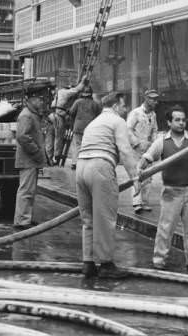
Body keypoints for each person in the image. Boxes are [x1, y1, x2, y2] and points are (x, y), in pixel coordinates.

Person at [76, 92, 139, 279]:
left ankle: (88, 263)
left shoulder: (93, 123)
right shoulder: (117, 121)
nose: (126, 109)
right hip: (100, 167)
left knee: (88, 219)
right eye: (124, 105)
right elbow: (125, 151)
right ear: (116, 106)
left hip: (81, 167)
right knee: (105, 218)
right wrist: (135, 177)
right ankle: (105, 264)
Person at [137, 105, 188, 273]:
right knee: (165, 229)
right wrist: (140, 168)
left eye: (183, 120)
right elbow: (147, 157)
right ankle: (159, 261)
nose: (181, 123)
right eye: (177, 120)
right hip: (171, 192)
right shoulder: (161, 142)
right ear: (169, 122)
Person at [13, 82, 53, 230]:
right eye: (40, 99)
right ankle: (22, 221)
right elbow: (22, 137)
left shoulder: (32, 114)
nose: (42, 102)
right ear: (32, 99)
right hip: (28, 159)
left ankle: (25, 218)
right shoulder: (27, 115)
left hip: (31, 159)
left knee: (29, 191)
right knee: (26, 191)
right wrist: (36, 152)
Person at [127, 89, 160, 213]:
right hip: (136, 149)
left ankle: (144, 202)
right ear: (146, 99)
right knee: (136, 175)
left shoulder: (153, 114)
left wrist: (154, 143)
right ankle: (136, 202)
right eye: (152, 99)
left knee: (148, 176)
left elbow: (155, 130)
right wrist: (136, 143)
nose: (155, 101)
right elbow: (128, 129)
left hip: (147, 148)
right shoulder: (135, 113)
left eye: (156, 99)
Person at [68, 86, 102, 169]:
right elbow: (99, 115)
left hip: (78, 127)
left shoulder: (78, 102)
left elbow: (71, 112)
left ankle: (75, 163)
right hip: (91, 128)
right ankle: (87, 162)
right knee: (89, 145)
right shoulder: (95, 104)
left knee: (77, 145)